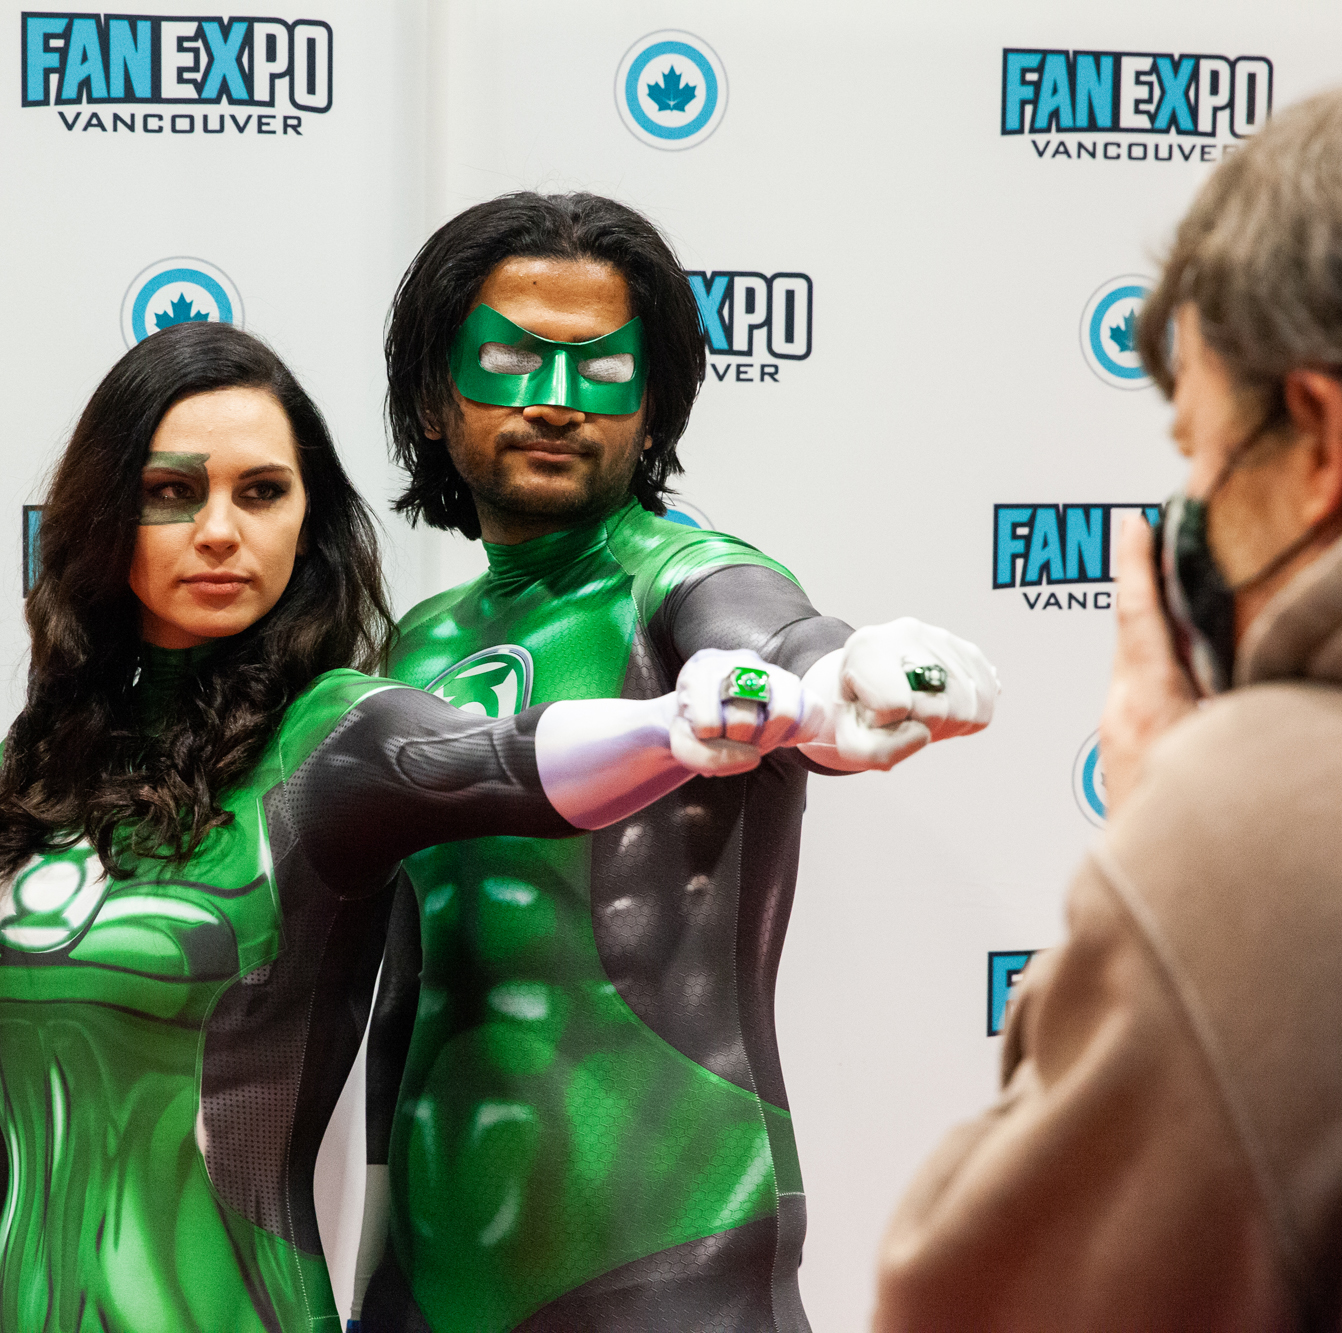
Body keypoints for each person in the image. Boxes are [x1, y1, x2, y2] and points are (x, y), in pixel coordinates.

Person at [0, 321, 850, 1333]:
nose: (220, 531)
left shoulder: (337, 734)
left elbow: (508, 761)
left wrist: (679, 725)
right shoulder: (38, 762)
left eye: (260, 492)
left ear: (307, 519)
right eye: (172, 492)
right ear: (105, 515)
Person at [353, 192, 1000, 1333]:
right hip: (432, 1280)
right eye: (506, 360)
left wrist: (852, 673)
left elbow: (775, 642)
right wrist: (373, 1263)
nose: (553, 402)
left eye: (600, 370)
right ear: (432, 392)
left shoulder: (680, 578)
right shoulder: (408, 650)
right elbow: (402, 985)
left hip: (678, 1266)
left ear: (653, 409)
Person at [875, 59, 1342, 1330]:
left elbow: (964, 1299)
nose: (1183, 515)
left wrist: (1166, 821)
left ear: (1315, 439)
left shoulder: (1255, 832)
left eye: (1194, 447)